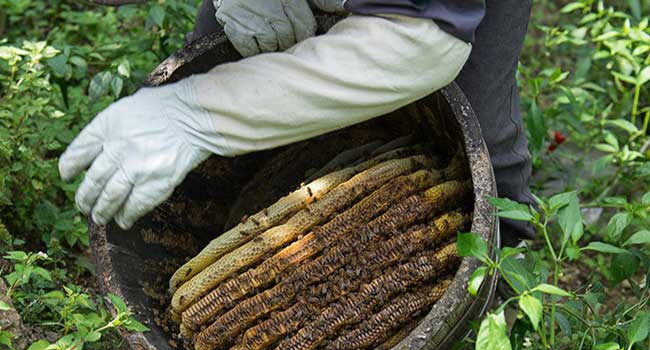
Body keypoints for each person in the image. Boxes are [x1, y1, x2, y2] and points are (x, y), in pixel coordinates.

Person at [59, 0, 535, 246]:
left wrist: (198, 112)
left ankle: (493, 306)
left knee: (480, 137)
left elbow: (425, 39)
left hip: (424, 20)